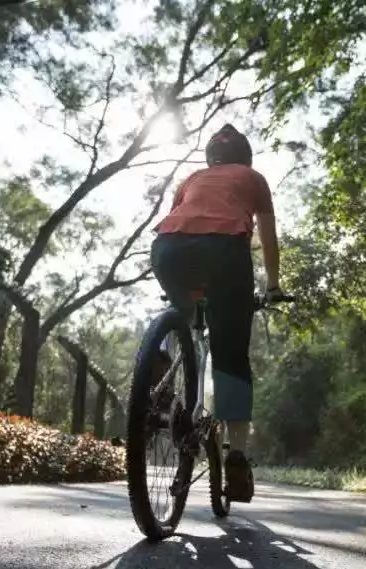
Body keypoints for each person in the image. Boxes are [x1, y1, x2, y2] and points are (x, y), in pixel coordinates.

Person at [149, 123, 286, 503]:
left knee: (183, 312)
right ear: (245, 157)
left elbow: (181, 223)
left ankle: (159, 370)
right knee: (231, 357)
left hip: (167, 250)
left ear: (211, 159)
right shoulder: (253, 178)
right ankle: (237, 457)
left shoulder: (192, 178)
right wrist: (272, 286)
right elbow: (267, 236)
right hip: (225, 254)